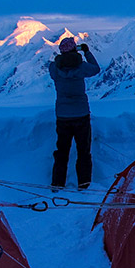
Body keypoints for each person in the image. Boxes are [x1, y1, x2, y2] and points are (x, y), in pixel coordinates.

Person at [49, 37, 100, 190]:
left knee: (62, 152)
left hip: (63, 116)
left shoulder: (54, 68)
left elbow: (53, 66)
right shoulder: (82, 67)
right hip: (81, 114)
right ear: (74, 49)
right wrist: (86, 52)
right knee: (83, 151)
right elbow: (96, 69)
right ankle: (84, 184)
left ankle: (58, 184)